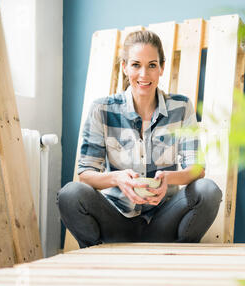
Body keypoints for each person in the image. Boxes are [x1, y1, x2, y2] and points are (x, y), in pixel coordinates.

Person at [57, 30, 222, 248]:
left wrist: (168, 180)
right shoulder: (102, 109)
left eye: (152, 65)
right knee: (70, 194)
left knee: (208, 190)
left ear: (162, 67)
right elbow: (86, 174)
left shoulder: (181, 107)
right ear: (124, 66)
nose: (143, 74)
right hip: (117, 221)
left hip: (164, 222)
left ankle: (177, 258)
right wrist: (117, 179)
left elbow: (197, 169)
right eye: (136, 65)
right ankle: (98, 260)